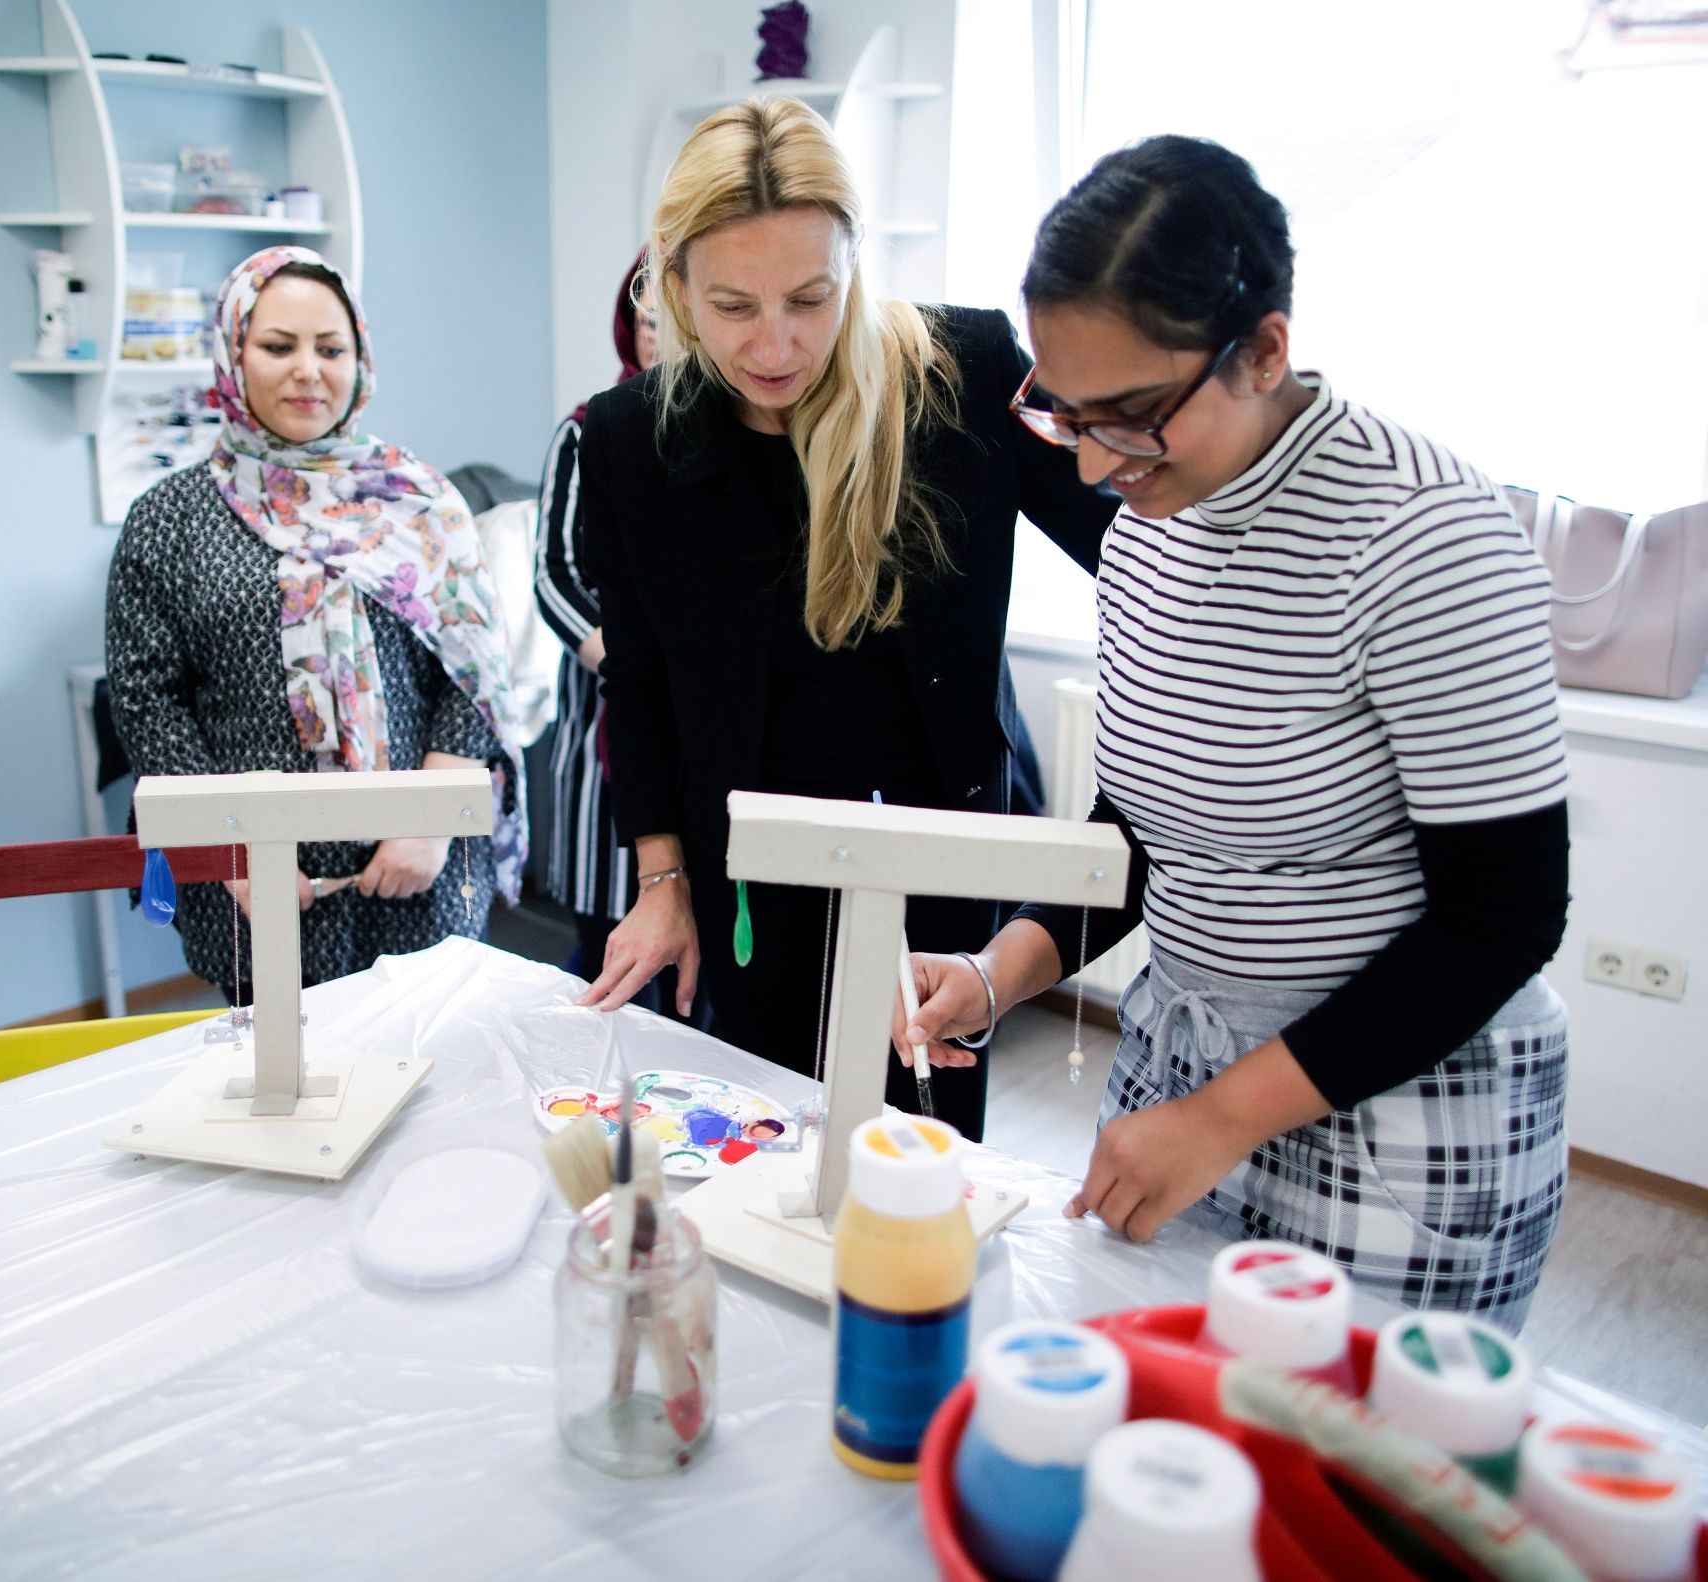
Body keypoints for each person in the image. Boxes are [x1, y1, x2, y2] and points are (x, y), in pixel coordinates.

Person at [896, 136, 1570, 1327]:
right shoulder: (1155, 519)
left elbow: (1498, 918)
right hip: (1183, 1064)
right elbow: (1147, 827)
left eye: (1134, 415)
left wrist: (1219, 1119)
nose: (1095, 463)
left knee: (1348, 1473)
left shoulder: (1427, 539)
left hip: (1394, 1099)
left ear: (1264, 349)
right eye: (1061, 410)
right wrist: (996, 975)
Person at [576, 98, 1115, 1141]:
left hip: (933, 857)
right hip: (746, 870)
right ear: (674, 285)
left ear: (854, 268)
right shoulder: (630, 437)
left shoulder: (961, 374)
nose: (775, 345)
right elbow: (636, 677)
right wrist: (661, 878)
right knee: (753, 1143)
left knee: (919, 1146)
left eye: (810, 299)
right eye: (731, 306)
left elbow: (1131, 545)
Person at [106, 245, 527, 996]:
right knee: (283, 1090)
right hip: (254, 887)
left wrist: (429, 823)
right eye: (277, 346)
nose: (309, 370)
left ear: (359, 359)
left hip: (416, 871)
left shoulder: (417, 501)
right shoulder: (167, 520)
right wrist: (235, 854)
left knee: (433, 1073)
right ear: (233, 355)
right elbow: (149, 702)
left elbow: (474, 672)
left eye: (331, 348)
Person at [534, 253, 666, 994]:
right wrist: (632, 664)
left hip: (699, 745)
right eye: (644, 324)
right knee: (608, 962)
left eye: (669, 325)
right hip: (603, 732)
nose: (655, 341)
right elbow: (551, 575)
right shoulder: (587, 433)